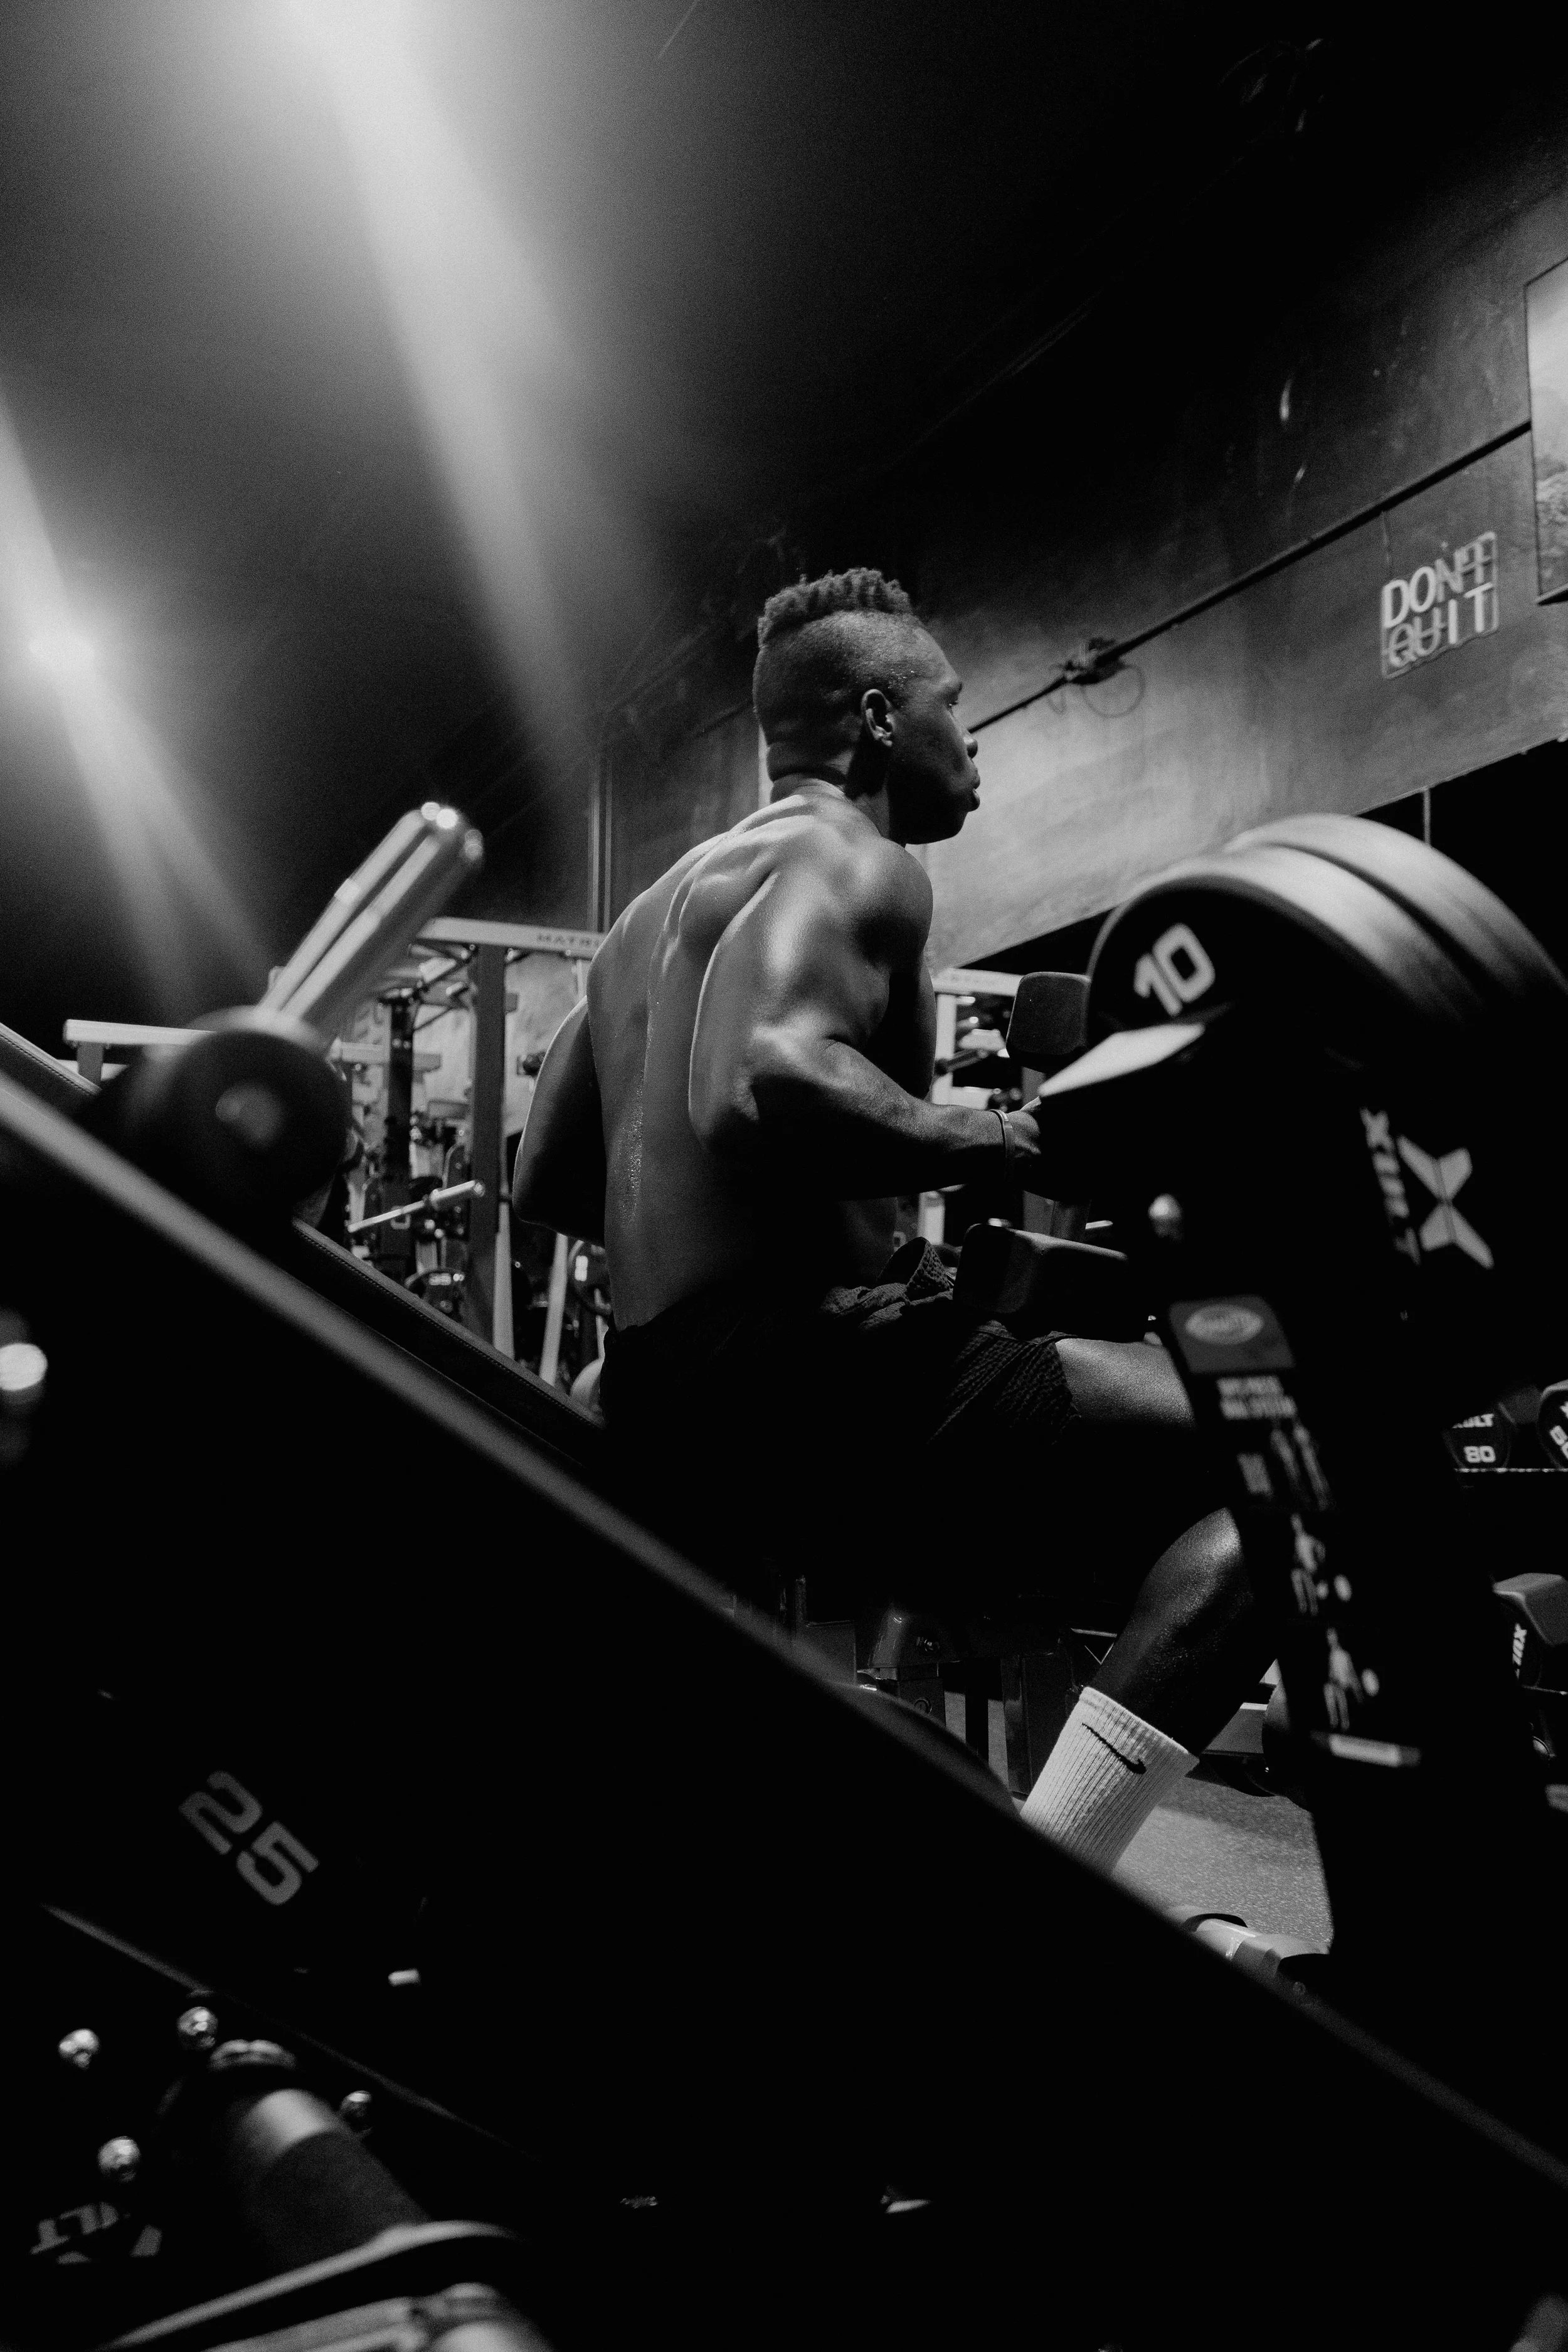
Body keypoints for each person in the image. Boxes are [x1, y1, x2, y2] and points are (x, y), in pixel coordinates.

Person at [514, 567, 1272, 1873]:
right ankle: (1055, 1883)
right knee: (1286, 1463)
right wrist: (1003, 1136)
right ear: (876, 718)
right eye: (952, 707)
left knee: (1066, 1452)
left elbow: (548, 1188)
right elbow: (762, 1078)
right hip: (817, 1377)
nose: (970, 740)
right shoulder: (851, 854)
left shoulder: (647, 917)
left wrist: (768, 1242)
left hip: (663, 1389)